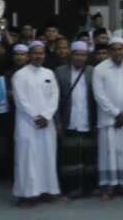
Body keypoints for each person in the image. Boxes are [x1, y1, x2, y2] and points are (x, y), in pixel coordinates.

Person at [11, 42, 61, 206]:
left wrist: (46, 116)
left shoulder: (49, 73)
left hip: (47, 123)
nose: (38, 56)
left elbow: (55, 96)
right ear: (29, 55)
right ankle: (27, 194)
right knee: (27, 158)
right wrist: (35, 117)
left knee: (47, 156)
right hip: (27, 123)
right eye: (35, 53)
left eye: (41, 53)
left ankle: (47, 191)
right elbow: (20, 100)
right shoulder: (19, 75)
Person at [92, 37, 123, 199]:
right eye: (114, 49)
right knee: (107, 152)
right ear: (109, 51)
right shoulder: (100, 69)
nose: (117, 52)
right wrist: (116, 113)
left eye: (120, 49)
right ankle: (108, 186)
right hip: (108, 118)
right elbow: (99, 95)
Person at [55, 41, 96, 198]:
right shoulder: (60, 72)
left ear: (87, 56)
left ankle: (88, 189)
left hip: (87, 119)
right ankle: (70, 189)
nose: (80, 57)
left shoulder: (93, 71)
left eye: (83, 55)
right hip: (68, 120)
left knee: (88, 157)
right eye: (77, 54)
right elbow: (55, 99)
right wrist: (57, 121)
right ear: (71, 55)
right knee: (69, 158)